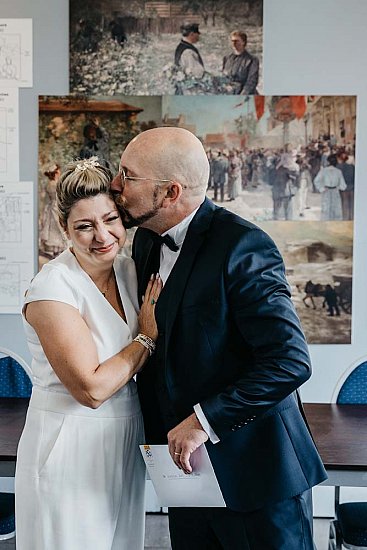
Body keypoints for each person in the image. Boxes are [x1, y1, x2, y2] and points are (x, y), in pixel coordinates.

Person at [110, 127, 327, 550]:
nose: (116, 185)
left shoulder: (244, 246)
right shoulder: (145, 243)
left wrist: (202, 422)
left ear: (170, 192)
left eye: (128, 175)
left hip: (256, 477)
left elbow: (289, 361)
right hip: (188, 480)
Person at [15, 157, 162, 550]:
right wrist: (145, 338)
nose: (103, 236)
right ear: (65, 230)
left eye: (110, 219)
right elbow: (92, 389)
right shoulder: (53, 289)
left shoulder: (129, 270)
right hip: (69, 440)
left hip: (126, 435)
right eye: (85, 226)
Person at [39, 162, 65, 259]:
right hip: (56, 207)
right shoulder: (56, 184)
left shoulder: (49, 184)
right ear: (56, 173)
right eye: (58, 171)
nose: (60, 172)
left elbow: (47, 199)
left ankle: (56, 250)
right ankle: (57, 250)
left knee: (54, 228)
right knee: (57, 227)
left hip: (51, 207)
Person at [314, 154, 347, 220]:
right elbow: (343, 185)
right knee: (335, 210)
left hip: (327, 191)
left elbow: (316, 181)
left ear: (328, 162)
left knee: (326, 209)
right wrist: (338, 187)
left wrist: (321, 188)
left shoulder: (324, 171)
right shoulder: (338, 172)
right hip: (334, 191)